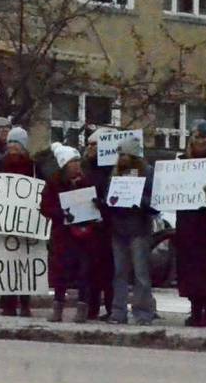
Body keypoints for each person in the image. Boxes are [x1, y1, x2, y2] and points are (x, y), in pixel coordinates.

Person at [175, 120, 206, 327]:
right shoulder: (182, 161)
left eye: (203, 137)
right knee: (190, 268)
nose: (200, 141)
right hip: (188, 222)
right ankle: (195, 308)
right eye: (196, 137)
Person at [41, 143, 96, 322]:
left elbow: (95, 204)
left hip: (84, 235)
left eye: (78, 161)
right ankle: (58, 306)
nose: (77, 165)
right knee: (61, 272)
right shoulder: (54, 183)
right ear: (65, 165)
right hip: (62, 235)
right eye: (73, 162)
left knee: (84, 272)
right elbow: (45, 208)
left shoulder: (87, 181)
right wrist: (62, 212)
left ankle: (82, 308)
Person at [104, 135, 156, 325]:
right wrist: (107, 202)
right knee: (119, 272)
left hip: (139, 229)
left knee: (141, 273)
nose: (123, 158)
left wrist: (138, 201)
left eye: (126, 154)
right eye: (121, 154)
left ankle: (143, 313)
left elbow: (154, 202)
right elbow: (109, 198)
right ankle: (118, 312)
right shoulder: (115, 174)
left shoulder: (147, 173)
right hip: (119, 229)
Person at [0, 126, 38, 317]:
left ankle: (25, 303)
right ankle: (8, 304)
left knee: (25, 262)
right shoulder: (0, 163)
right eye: (10, 142)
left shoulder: (33, 165)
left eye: (16, 143)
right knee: (7, 261)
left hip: (26, 220)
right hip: (5, 219)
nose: (12, 146)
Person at [81, 135, 115, 320]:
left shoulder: (111, 170)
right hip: (90, 225)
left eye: (95, 144)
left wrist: (103, 204)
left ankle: (110, 308)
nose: (91, 148)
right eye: (89, 144)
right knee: (91, 270)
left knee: (108, 270)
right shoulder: (85, 168)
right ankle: (92, 308)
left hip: (108, 225)